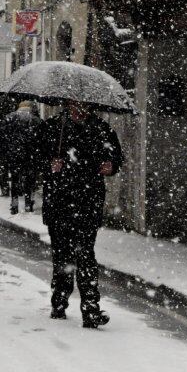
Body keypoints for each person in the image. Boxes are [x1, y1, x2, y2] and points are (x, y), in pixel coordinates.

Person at [37, 100, 123, 329]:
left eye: (84, 105)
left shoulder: (102, 129)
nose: (80, 109)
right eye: (76, 104)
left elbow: (116, 158)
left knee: (85, 254)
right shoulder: (53, 127)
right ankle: (60, 300)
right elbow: (35, 158)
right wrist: (49, 165)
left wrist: (110, 166)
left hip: (88, 202)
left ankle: (91, 308)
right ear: (68, 104)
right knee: (62, 254)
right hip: (59, 201)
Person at [0, 101, 43, 215]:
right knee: (30, 180)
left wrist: (0, 153)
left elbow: (0, 138)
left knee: (15, 179)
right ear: (31, 108)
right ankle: (28, 203)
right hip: (30, 155)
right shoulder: (36, 121)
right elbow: (42, 140)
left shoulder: (9, 118)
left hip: (14, 154)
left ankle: (14, 204)